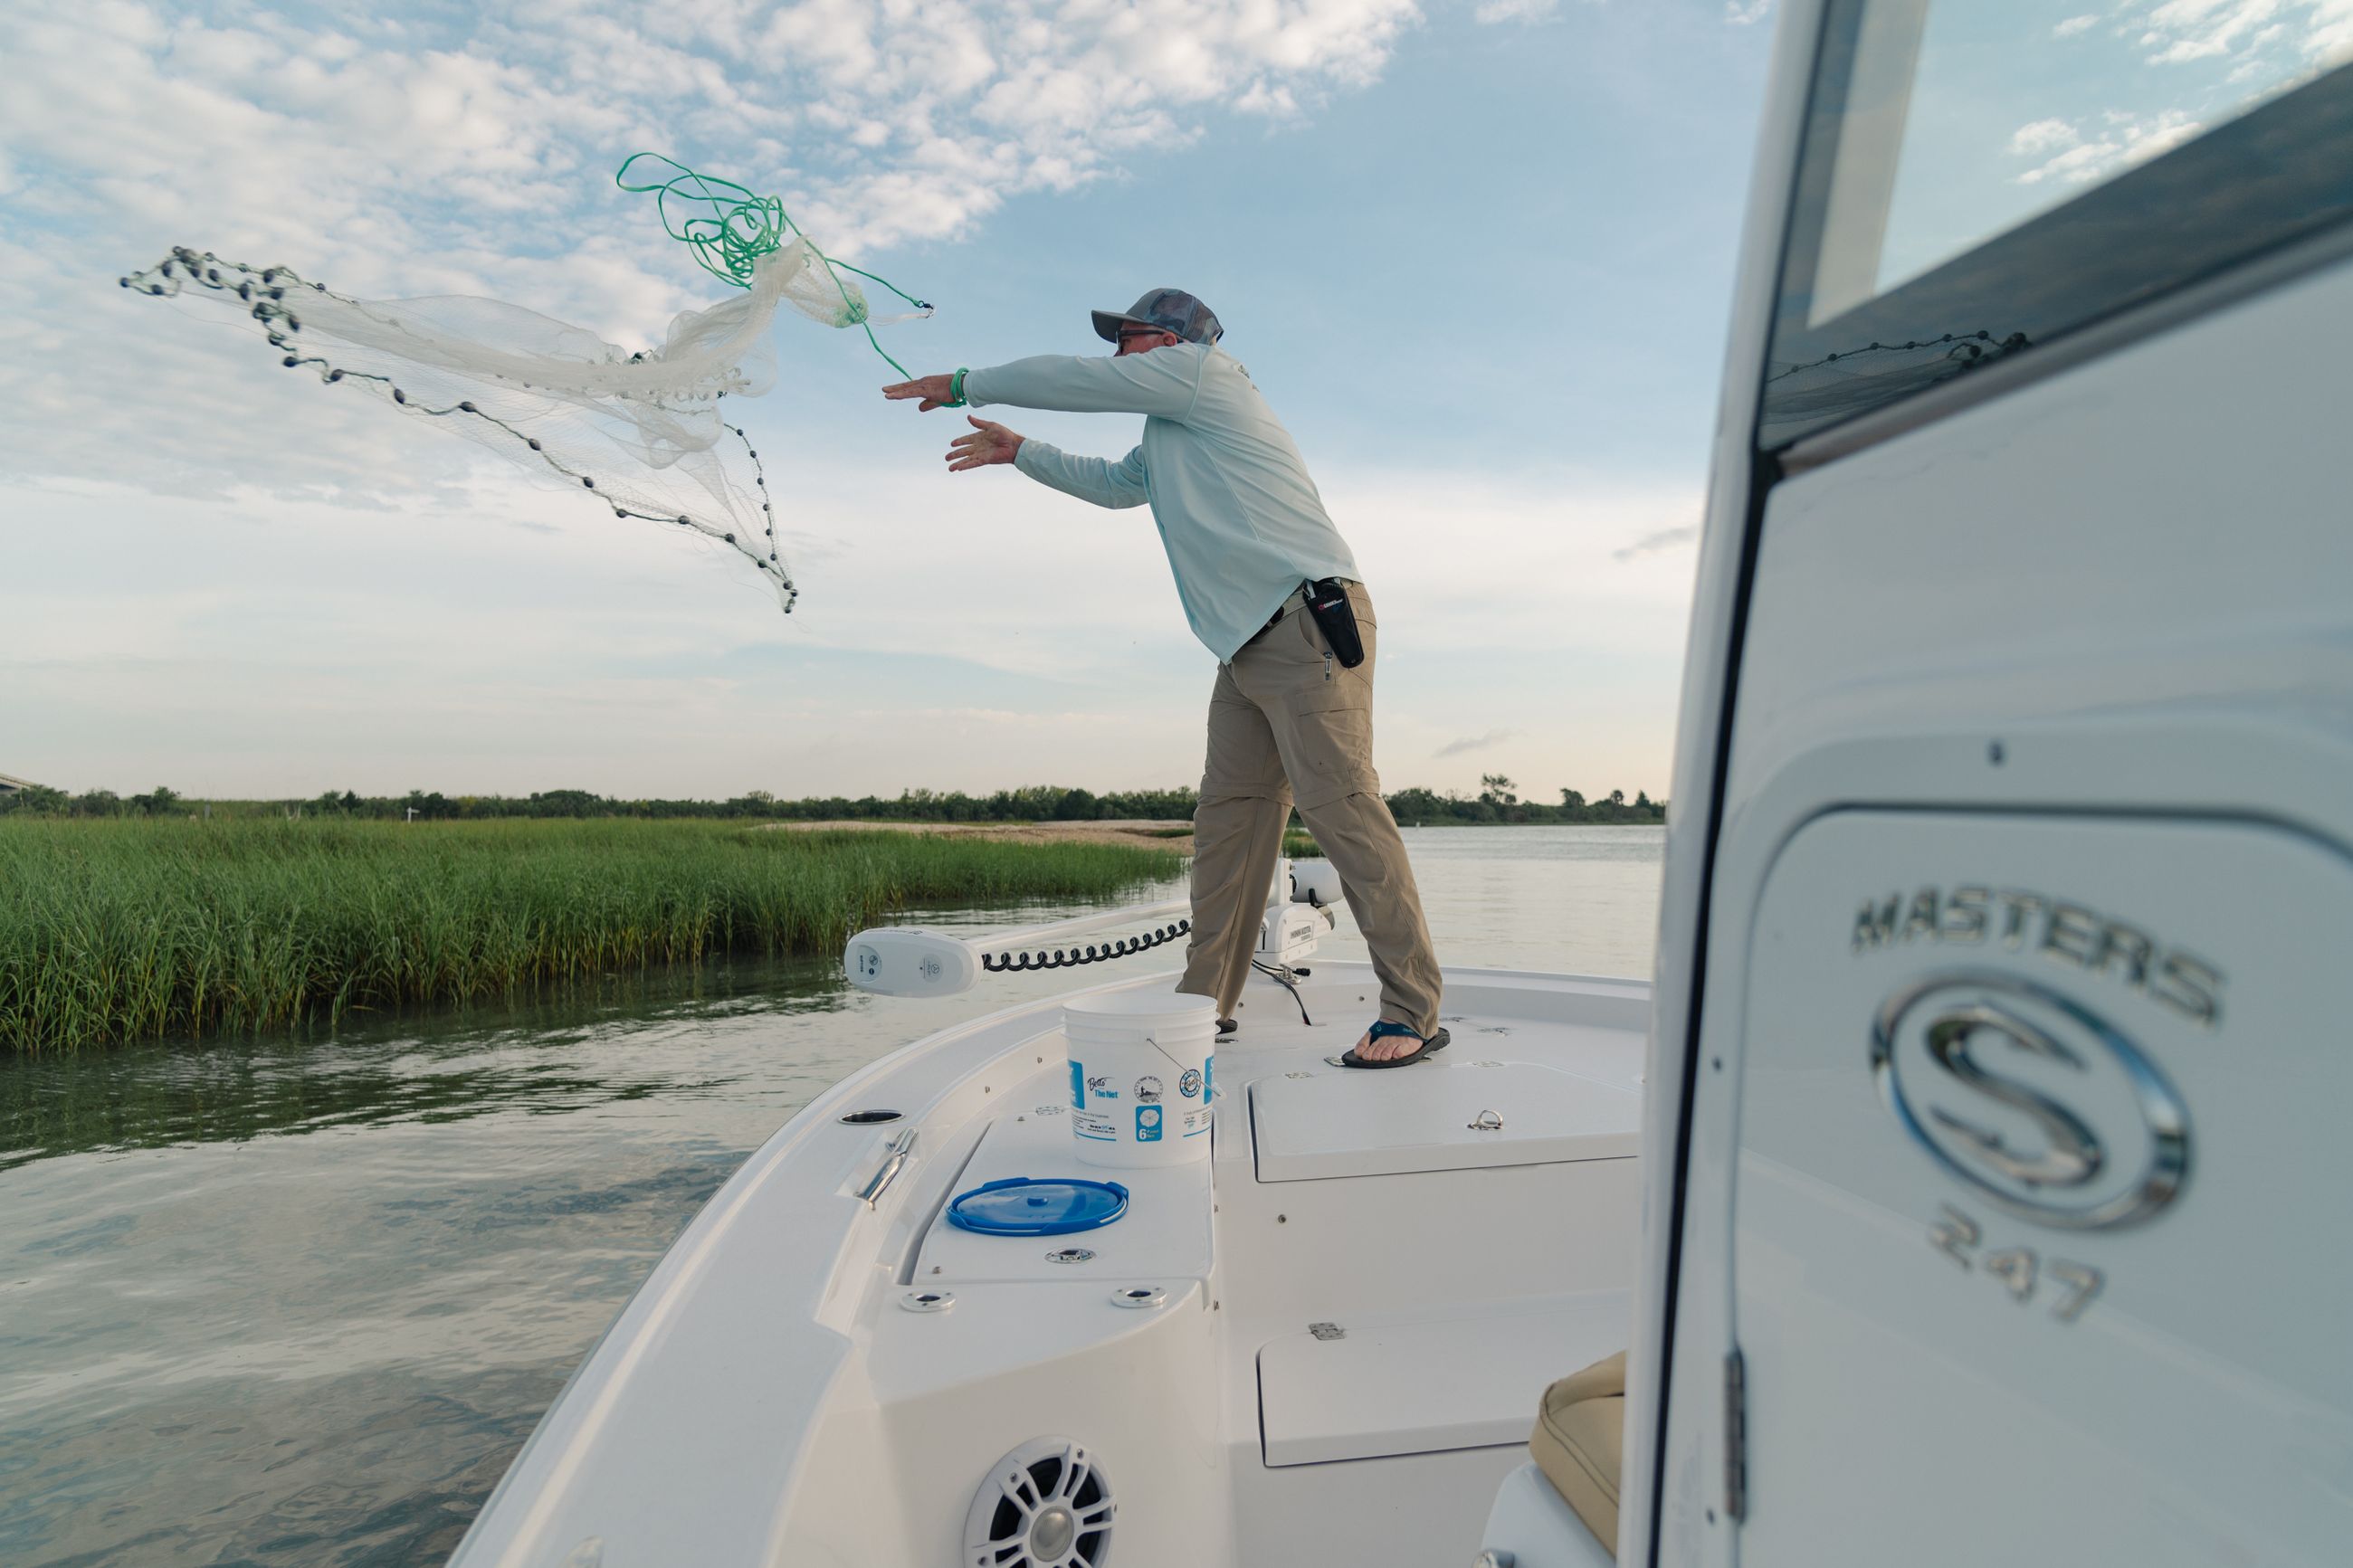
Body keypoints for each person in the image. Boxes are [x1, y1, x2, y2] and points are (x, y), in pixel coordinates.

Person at [881, 289, 1446, 1066]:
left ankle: (1412, 1007)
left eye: (1128, 338)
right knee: (1228, 825)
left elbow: (1080, 381)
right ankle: (1204, 1006)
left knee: (1342, 808)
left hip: (1305, 619)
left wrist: (965, 382)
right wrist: (1022, 453)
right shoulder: (1171, 427)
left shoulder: (1202, 375)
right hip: (1245, 643)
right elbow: (1119, 484)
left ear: (1175, 340)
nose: (1116, 353)